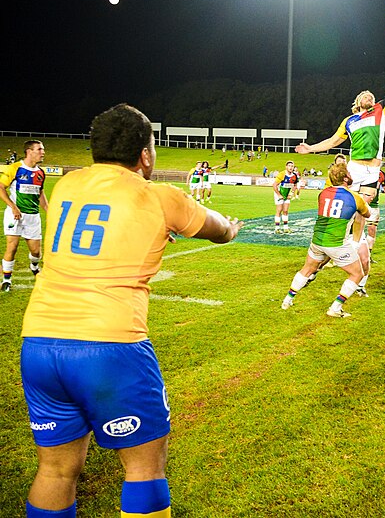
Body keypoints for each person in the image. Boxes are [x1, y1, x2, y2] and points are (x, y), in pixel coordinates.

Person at [19, 103, 243, 517]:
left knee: (54, 471)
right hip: (110, 345)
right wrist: (230, 226)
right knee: (144, 468)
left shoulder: (67, 186)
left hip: (38, 343)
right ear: (145, 154)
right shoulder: (158, 196)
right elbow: (220, 231)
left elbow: (101, 229)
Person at [295, 57, 385, 245]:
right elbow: (332, 141)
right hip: (355, 168)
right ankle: (337, 241)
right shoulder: (349, 121)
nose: (369, 97)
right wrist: (311, 148)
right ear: (357, 102)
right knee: (348, 207)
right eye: (365, 95)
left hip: (373, 171)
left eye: (371, 95)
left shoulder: (381, 110)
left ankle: (355, 244)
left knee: (363, 210)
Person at [281, 162, 370, 318]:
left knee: (306, 270)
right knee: (357, 274)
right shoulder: (355, 197)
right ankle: (335, 308)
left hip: (317, 240)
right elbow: (367, 214)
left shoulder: (322, 193)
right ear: (346, 177)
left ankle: (287, 300)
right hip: (336, 243)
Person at [1, 140, 49, 292]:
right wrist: (13, 207)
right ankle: (6, 280)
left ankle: (34, 266)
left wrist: (49, 210)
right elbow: (1, 187)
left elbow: (40, 193)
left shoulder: (41, 173)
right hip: (15, 215)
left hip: (33, 217)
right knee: (12, 246)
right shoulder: (15, 168)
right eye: (40, 149)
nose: (43, 152)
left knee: (36, 252)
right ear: (29, 151)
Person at [273, 160, 300, 234]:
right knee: (279, 210)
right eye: (289, 166)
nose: (291, 167)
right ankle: (277, 228)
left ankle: (285, 228)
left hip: (287, 194)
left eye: (292, 166)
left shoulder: (294, 176)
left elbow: (295, 185)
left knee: (285, 211)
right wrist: (279, 195)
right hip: (279, 194)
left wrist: (291, 193)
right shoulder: (282, 174)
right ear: (286, 167)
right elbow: (274, 185)